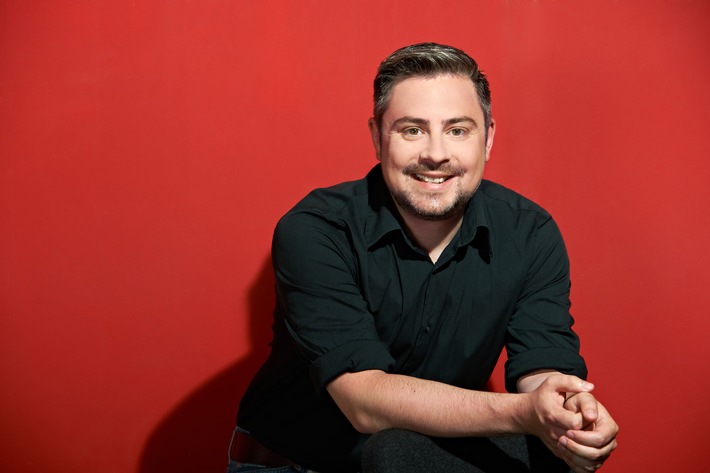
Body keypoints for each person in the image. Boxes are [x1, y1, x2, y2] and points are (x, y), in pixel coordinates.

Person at [230, 42, 618, 473]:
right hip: (295, 466)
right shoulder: (316, 230)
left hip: (423, 463)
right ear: (377, 137)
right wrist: (526, 413)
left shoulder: (530, 233)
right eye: (412, 130)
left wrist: (570, 412)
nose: (436, 154)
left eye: (458, 130)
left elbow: (542, 366)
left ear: (488, 138)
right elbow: (363, 401)